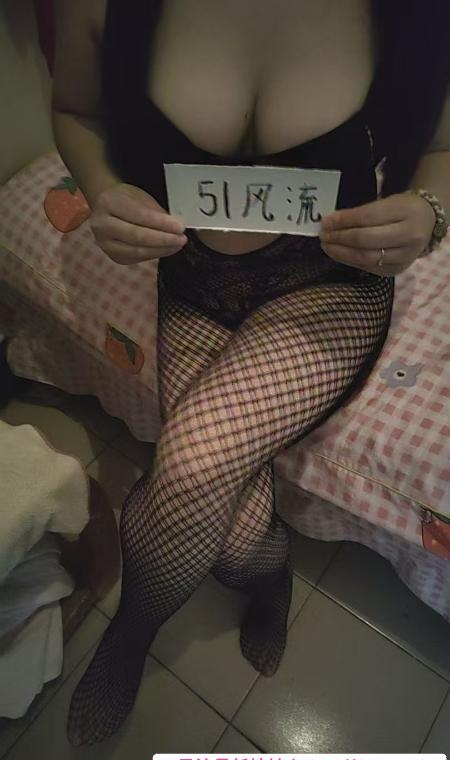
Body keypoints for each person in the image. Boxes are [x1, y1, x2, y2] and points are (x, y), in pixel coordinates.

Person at [52, 0, 449, 746]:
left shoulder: (416, 13)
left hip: (328, 285)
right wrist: (103, 189)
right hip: (194, 276)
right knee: (234, 541)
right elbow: (74, 110)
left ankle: (129, 635)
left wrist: (430, 212)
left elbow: (442, 149)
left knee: (192, 466)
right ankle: (269, 575)